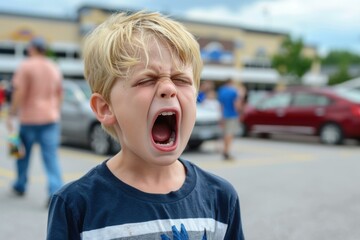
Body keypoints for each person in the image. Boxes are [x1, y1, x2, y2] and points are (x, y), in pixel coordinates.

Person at [47, 11, 245, 239]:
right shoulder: (76, 205)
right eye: (146, 80)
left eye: (181, 80)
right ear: (105, 108)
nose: (168, 88)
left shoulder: (221, 198)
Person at [6, 37, 63, 204]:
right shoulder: (53, 67)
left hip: (29, 118)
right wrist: (55, 110)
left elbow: (19, 92)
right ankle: (55, 190)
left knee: (21, 154)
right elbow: (60, 92)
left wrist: (11, 114)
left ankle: (20, 184)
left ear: (32, 48)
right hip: (51, 117)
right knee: (51, 157)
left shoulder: (26, 66)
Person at [217, 78, 242, 160]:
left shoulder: (221, 91)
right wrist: (239, 113)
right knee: (230, 134)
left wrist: (221, 116)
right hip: (232, 115)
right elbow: (236, 104)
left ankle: (224, 150)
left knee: (225, 134)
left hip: (224, 115)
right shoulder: (234, 91)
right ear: (231, 83)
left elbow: (220, 105)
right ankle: (227, 152)